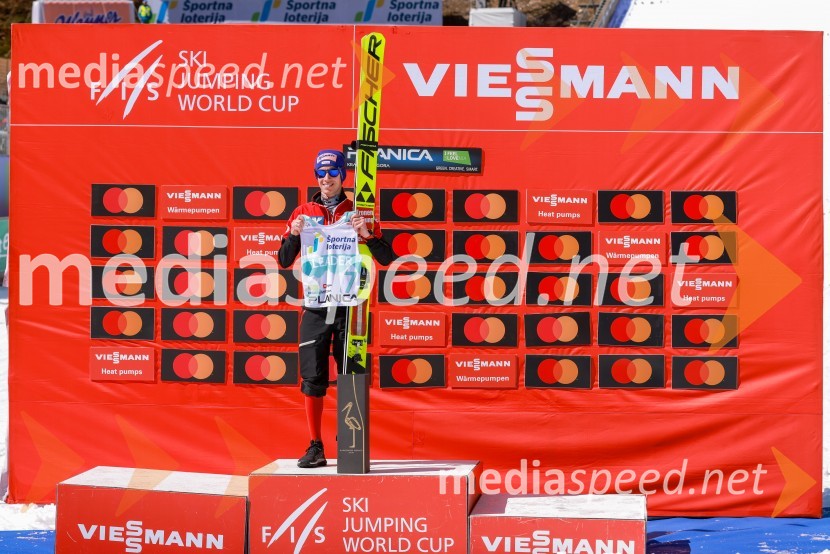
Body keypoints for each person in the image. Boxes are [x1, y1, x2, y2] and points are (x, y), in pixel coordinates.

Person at [278, 149, 393, 468]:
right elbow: (284, 259)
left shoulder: (359, 211)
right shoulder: (302, 211)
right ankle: (315, 445)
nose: (325, 178)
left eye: (331, 172)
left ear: (343, 175)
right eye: (320, 173)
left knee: (350, 373)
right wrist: (295, 235)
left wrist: (367, 235)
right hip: (316, 305)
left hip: (350, 306)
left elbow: (387, 258)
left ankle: (350, 438)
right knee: (312, 377)